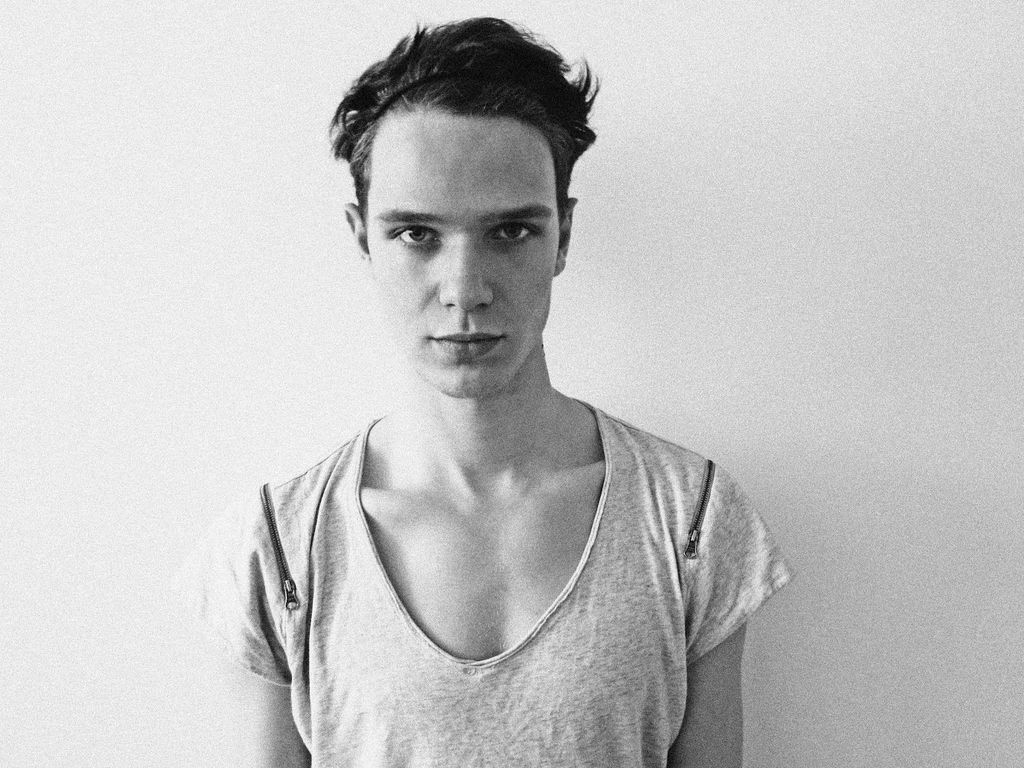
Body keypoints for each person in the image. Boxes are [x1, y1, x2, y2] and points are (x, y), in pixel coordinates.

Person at [186, 17, 793, 767]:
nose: (465, 289)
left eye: (510, 232)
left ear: (562, 236)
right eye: (417, 234)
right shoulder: (278, 548)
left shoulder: (689, 521)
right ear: (362, 237)